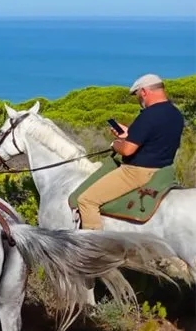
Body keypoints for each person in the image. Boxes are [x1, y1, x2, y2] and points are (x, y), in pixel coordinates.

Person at [77, 73, 184, 230]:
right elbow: (155, 138)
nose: (139, 100)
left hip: (136, 173)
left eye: (138, 95)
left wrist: (116, 144)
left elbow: (127, 150)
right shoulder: (175, 114)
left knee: (86, 200)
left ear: (145, 92)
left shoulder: (148, 116)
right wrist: (129, 135)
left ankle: (94, 248)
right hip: (163, 171)